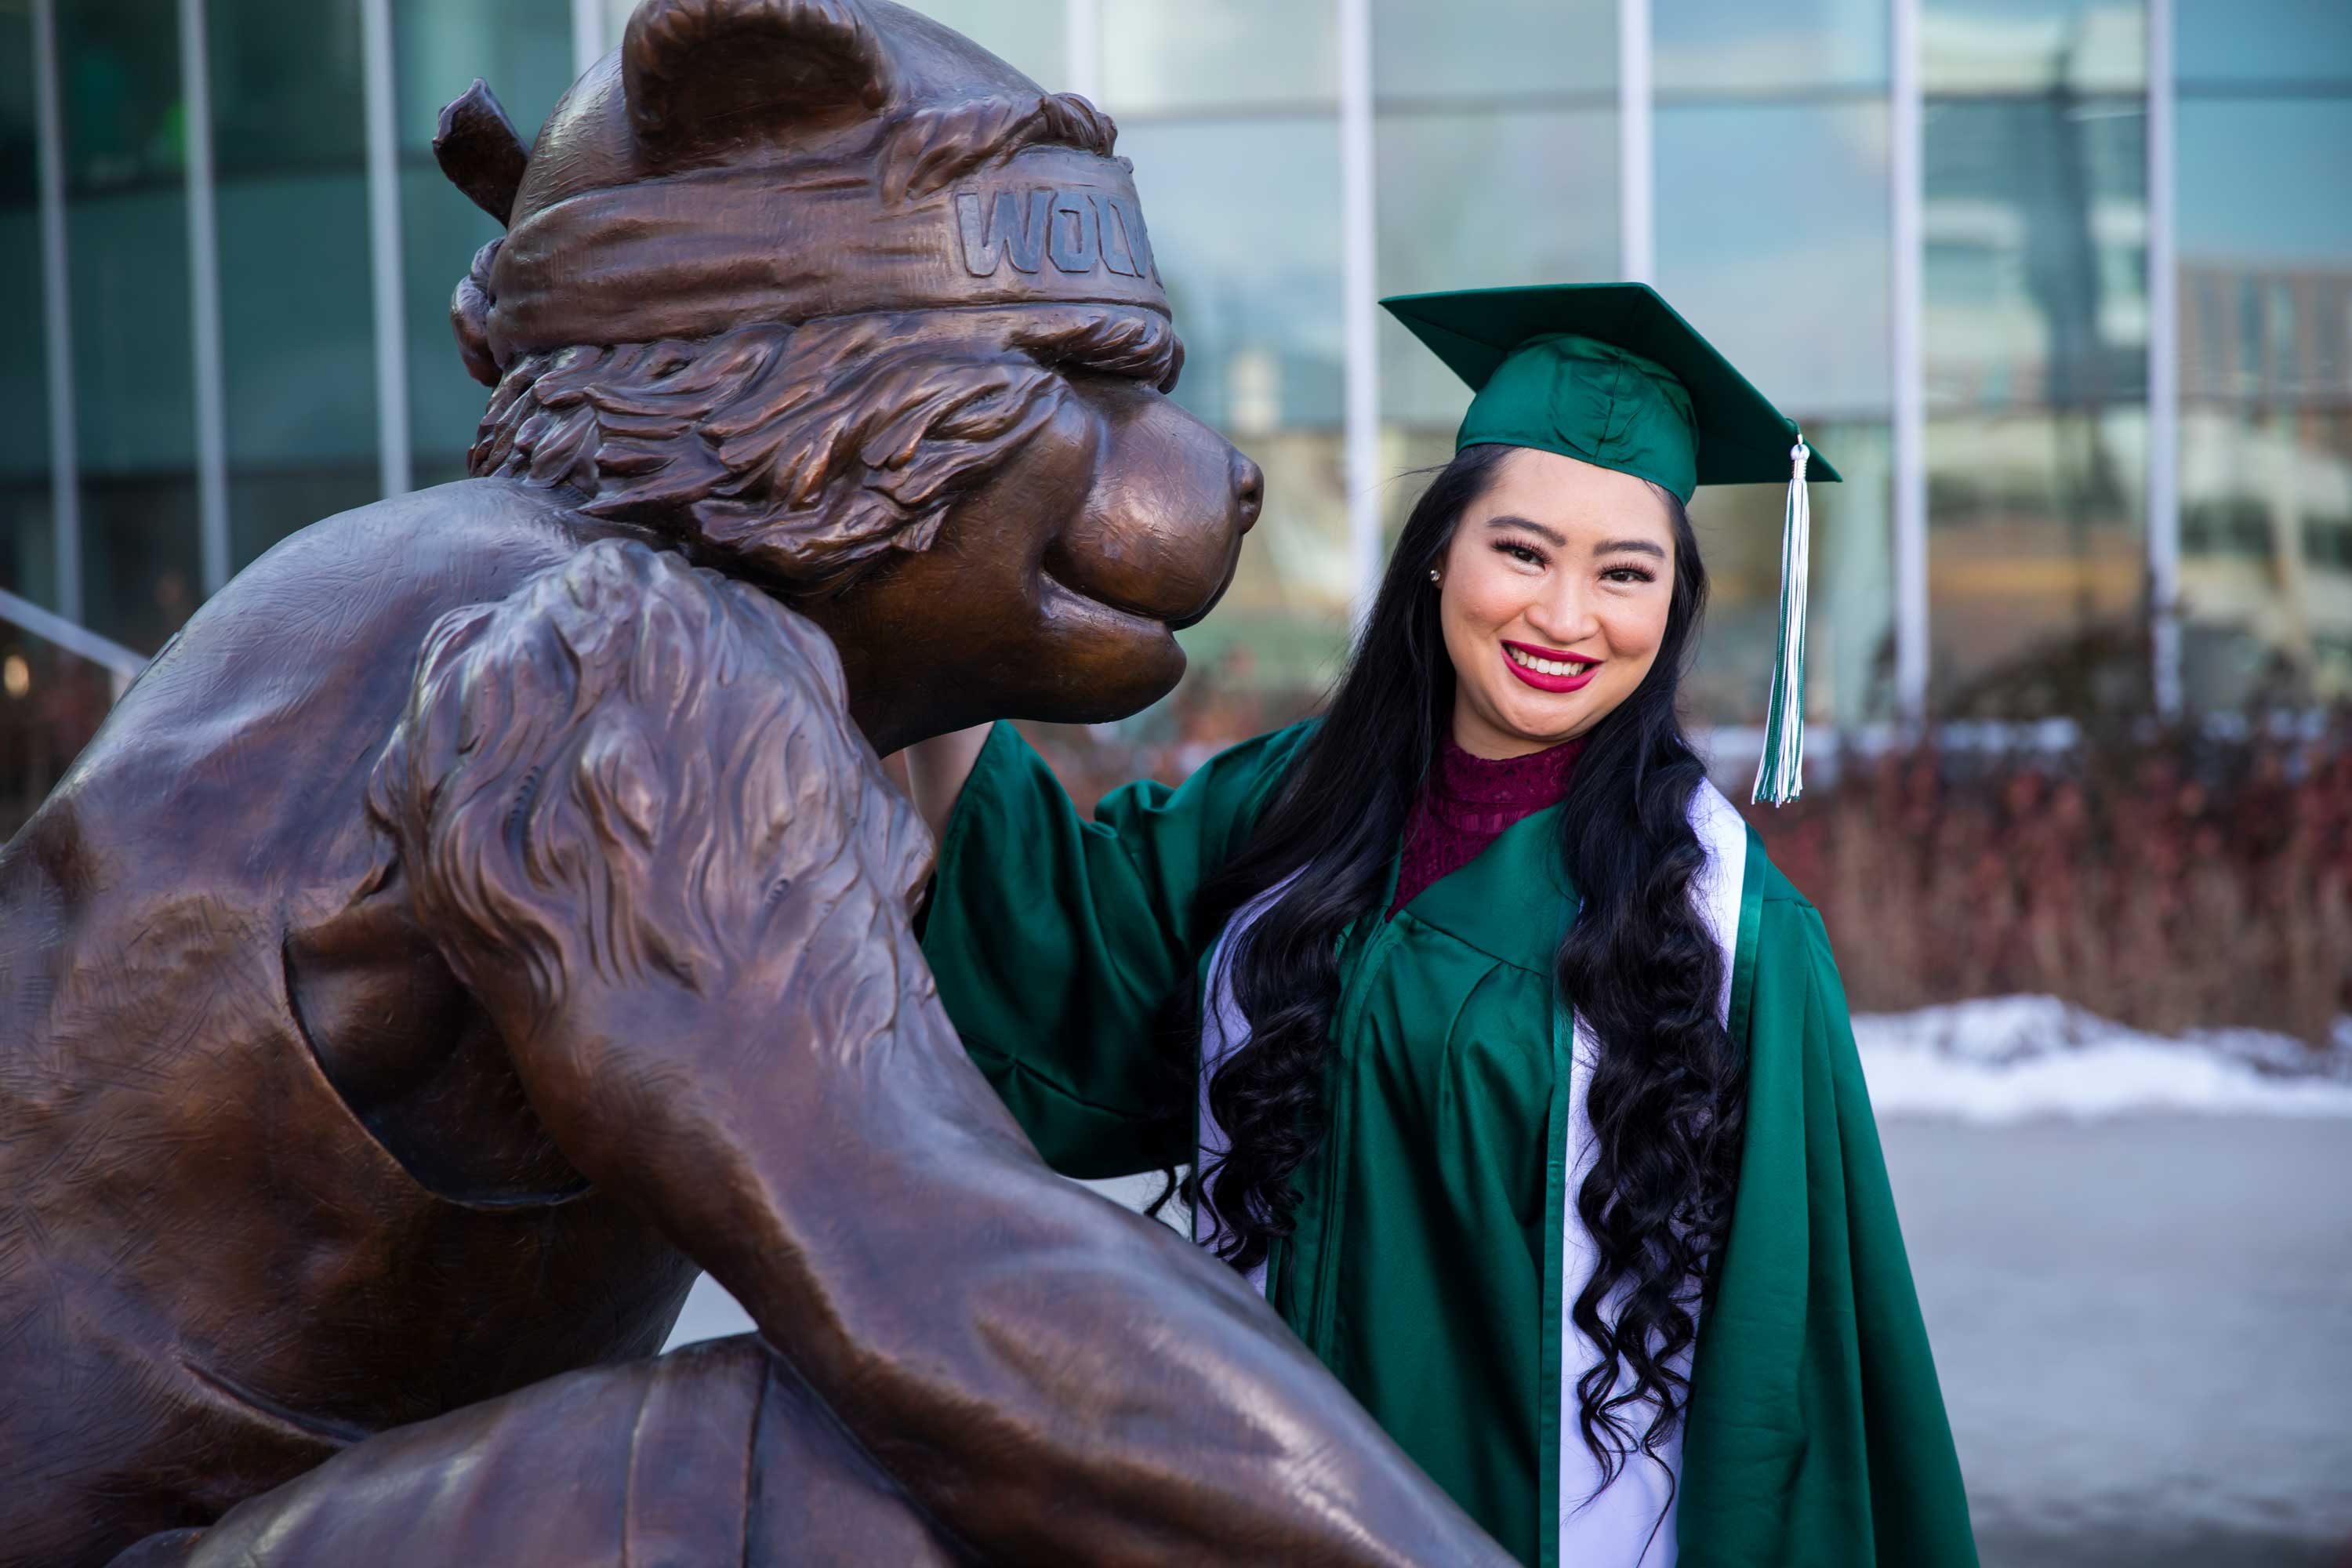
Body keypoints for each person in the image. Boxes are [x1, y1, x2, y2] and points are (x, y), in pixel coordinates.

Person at [906, 283, 1979, 1568]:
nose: (1565, 618)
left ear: (1672, 606)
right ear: (1439, 554)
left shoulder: (1731, 928)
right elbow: (1073, 947)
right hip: (1263, 1506)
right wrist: (926, 628)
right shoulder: (1293, 802)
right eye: (1522, 552)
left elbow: (1793, 1356)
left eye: (1623, 574)